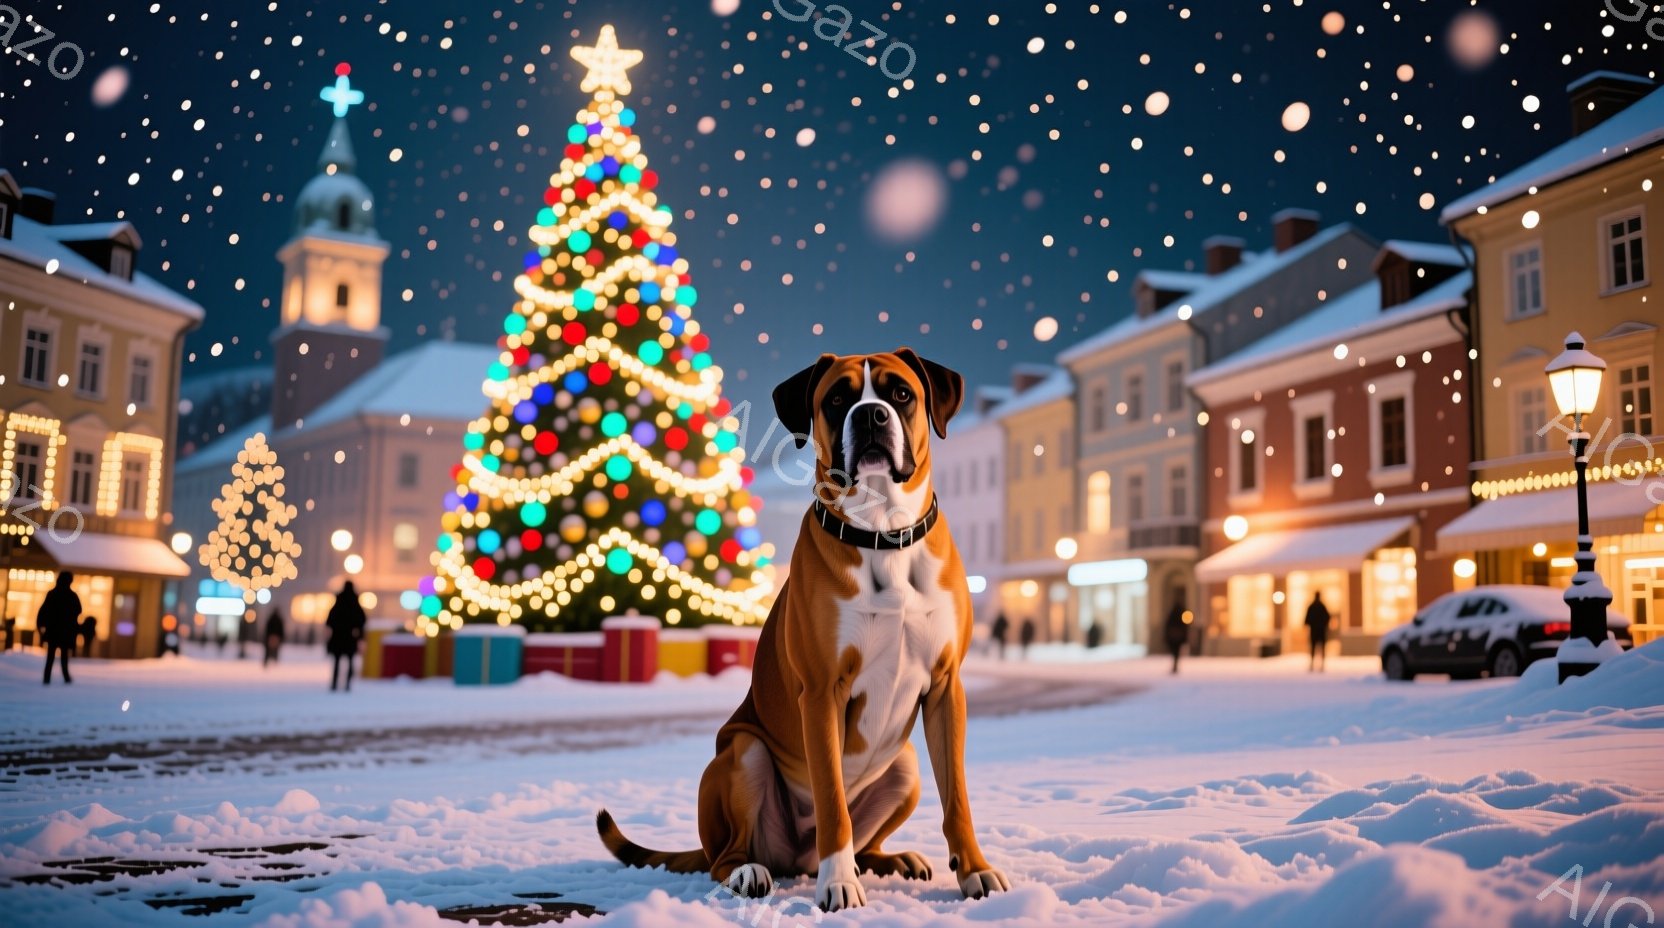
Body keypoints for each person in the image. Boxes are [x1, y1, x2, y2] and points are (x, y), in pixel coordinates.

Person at [37, 572, 81, 686]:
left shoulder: (52, 594)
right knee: (64, 656)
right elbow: (78, 610)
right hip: (65, 632)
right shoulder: (72, 595)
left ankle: (47, 678)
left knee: (50, 656)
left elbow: (43, 611)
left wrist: (41, 626)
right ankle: (66, 678)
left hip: (53, 631)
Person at [325, 581, 368, 691]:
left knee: (337, 661)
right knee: (350, 661)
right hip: (350, 637)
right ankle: (347, 684)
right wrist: (359, 634)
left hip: (338, 636)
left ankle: (334, 683)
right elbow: (362, 620)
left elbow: (330, 619)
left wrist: (335, 628)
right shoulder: (355, 602)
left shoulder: (338, 601)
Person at [1305, 592, 1331, 672]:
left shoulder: (1312, 607)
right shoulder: (1322, 607)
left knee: (1314, 648)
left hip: (1315, 631)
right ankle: (1320, 665)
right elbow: (1327, 617)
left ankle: (1314, 664)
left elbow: (1307, 620)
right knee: (1321, 648)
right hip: (1320, 631)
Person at [1164, 600, 1190, 675]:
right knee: (1176, 652)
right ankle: (1175, 664)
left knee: (1174, 652)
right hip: (1178, 637)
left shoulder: (1172, 615)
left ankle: (1175, 665)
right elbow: (1185, 626)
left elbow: (1167, 626)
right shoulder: (1181, 614)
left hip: (1173, 637)